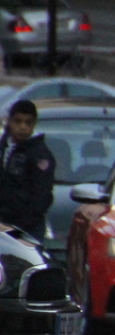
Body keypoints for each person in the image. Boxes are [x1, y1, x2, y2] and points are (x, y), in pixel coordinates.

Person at [0, 99, 56, 238]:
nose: (22, 127)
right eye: (17, 121)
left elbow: (42, 196)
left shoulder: (39, 155)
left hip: (27, 228)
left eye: (28, 122)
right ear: (9, 121)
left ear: (34, 124)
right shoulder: (3, 148)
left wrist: (20, 227)